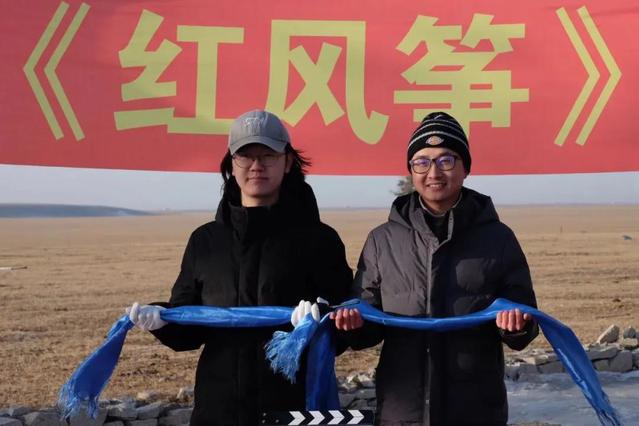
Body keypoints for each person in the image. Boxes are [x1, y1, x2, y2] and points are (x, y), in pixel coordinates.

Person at [126, 110, 352, 426]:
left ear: (288, 162)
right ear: (232, 164)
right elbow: (189, 333)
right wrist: (162, 319)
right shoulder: (205, 241)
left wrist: (320, 322)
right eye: (245, 156)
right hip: (219, 411)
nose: (257, 165)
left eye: (268, 155)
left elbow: (347, 325)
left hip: (293, 409)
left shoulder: (319, 240)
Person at [331, 112, 539, 425]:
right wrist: (353, 324)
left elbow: (524, 324)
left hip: (475, 411)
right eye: (422, 162)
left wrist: (517, 325)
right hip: (403, 412)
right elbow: (368, 326)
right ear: (411, 170)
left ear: (466, 168)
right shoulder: (382, 240)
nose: (434, 172)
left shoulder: (498, 238)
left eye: (446, 160)